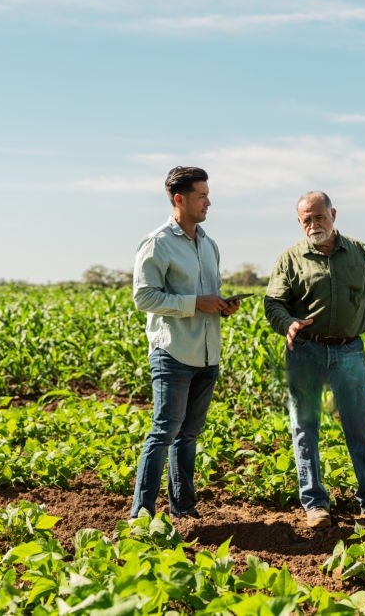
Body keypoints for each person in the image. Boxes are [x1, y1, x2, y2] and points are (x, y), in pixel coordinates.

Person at [264, 191, 365, 529]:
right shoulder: (290, 259)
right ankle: (314, 504)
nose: (313, 224)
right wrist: (287, 323)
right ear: (299, 222)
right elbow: (273, 303)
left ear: (333, 214)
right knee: (305, 426)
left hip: (349, 349)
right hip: (305, 350)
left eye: (319, 216)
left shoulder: (359, 253)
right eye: (306, 219)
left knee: (360, 426)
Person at [129, 166, 241, 519]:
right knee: (163, 432)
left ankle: (183, 509)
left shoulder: (209, 245)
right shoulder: (157, 243)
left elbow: (209, 294)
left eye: (208, 194)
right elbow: (144, 297)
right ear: (179, 199)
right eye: (201, 195)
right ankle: (140, 515)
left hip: (207, 354)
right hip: (173, 352)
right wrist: (194, 303)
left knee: (188, 436)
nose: (209, 201)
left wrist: (222, 306)